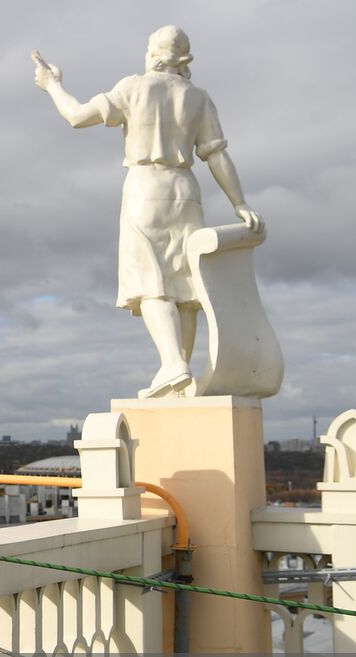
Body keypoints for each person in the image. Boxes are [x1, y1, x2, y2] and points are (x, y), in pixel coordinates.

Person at [33, 25, 264, 398]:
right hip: (186, 190)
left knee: (152, 281)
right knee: (185, 285)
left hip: (146, 188)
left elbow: (76, 116)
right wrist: (240, 202)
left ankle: (174, 364)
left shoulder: (134, 87)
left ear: (151, 53)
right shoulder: (198, 98)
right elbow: (216, 154)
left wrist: (51, 85)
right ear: (184, 59)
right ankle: (179, 379)